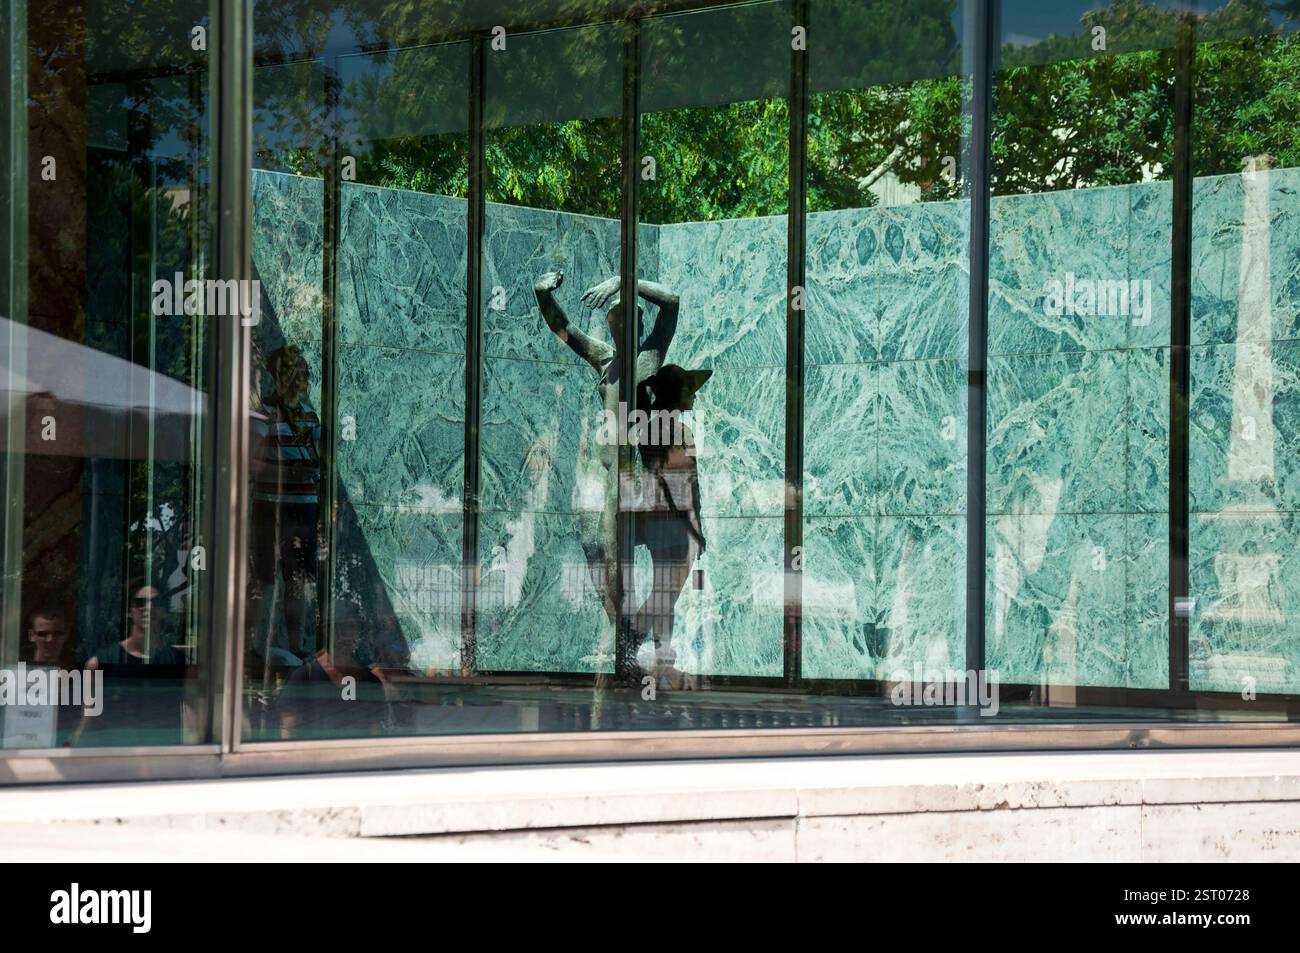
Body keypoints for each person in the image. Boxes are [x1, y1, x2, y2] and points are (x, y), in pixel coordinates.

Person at [532, 271, 683, 680]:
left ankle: (653, 636)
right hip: (616, 483)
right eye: (615, 320)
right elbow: (565, 329)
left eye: (627, 318)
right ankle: (624, 631)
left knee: (668, 561)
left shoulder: (650, 353)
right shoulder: (603, 359)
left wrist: (623, 281)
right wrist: (543, 294)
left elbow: (670, 301)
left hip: (649, 482)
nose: (620, 325)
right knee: (596, 544)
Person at [630, 364, 710, 690]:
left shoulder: (649, 430)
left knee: (664, 595)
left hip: (655, 523)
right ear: (678, 396)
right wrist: (697, 529)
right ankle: (629, 645)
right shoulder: (680, 433)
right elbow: (691, 487)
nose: (694, 395)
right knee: (664, 596)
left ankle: (661, 660)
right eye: (690, 390)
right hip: (677, 524)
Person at [250, 344, 322, 661]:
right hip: (270, 504)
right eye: (302, 370)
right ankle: (256, 645)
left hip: (303, 505)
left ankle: (295, 644)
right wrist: (285, 469)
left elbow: (322, 462)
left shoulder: (309, 415)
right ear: (287, 374)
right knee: (265, 576)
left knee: (297, 579)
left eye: (306, 370)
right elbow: (251, 462)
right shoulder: (265, 410)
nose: (307, 376)